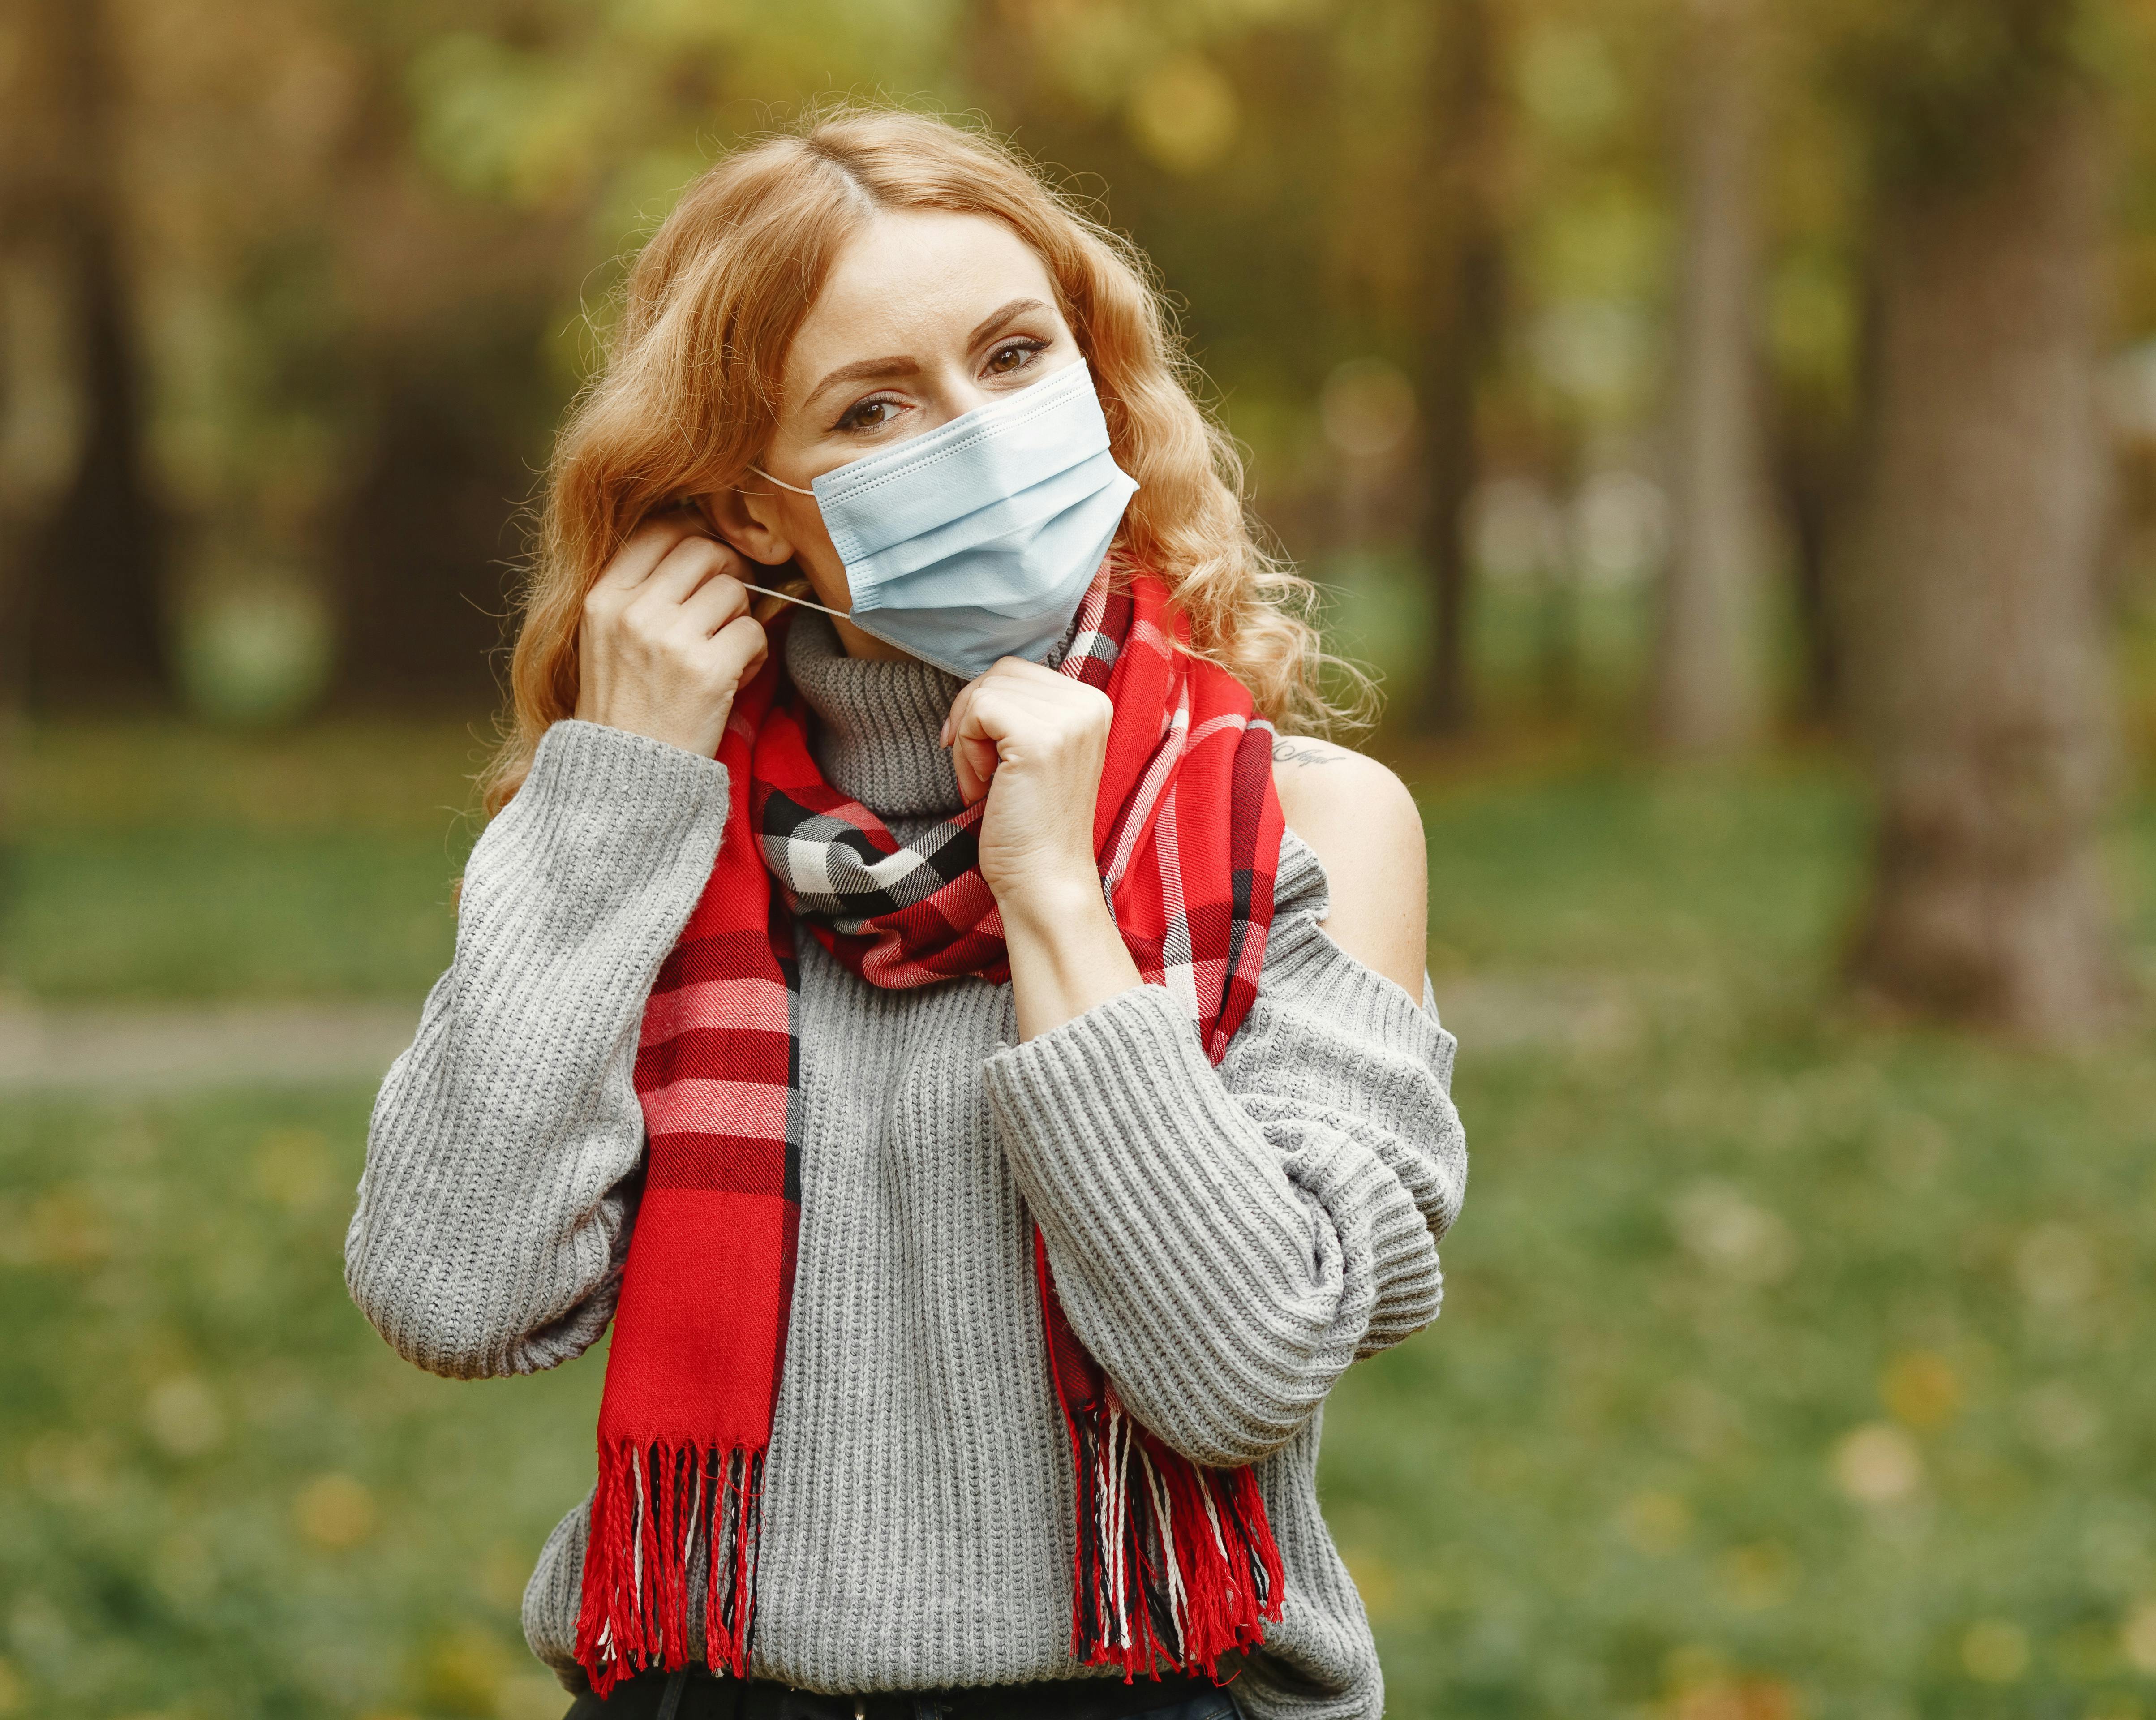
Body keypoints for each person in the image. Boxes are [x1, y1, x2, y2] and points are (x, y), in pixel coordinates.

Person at [344, 107, 1465, 1720]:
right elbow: (455, 1295)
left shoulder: (1310, 826)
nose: (979, 436)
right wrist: (613, 798)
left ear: (1096, 378)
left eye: (1016, 359)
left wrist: (1056, 896)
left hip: (1159, 1691)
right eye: (875, 406)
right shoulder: (628, 841)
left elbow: (1245, 1372)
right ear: (747, 511)